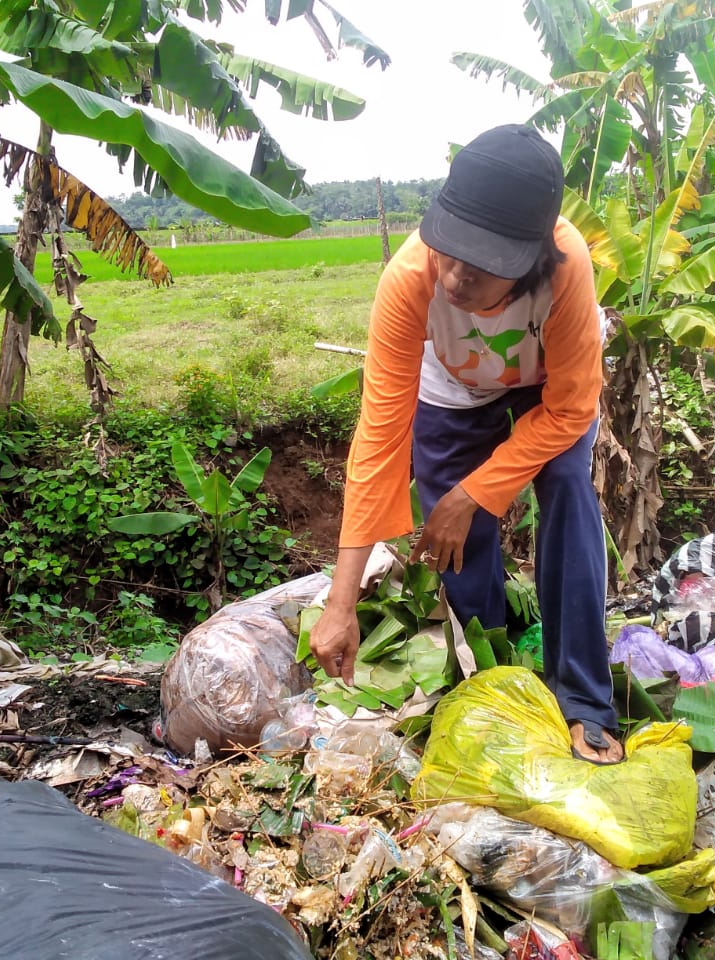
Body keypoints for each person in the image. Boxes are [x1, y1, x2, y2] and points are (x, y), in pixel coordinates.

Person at [308, 124, 622, 764]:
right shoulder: (411, 277)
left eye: (481, 269)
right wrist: (341, 604)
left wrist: (474, 494)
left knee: (566, 492)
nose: (454, 277)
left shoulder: (566, 270)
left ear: (531, 257)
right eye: (449, 251)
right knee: (459, 546)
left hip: (549, 391)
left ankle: (585, 699)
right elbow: (378, 439)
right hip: (452, 388)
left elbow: (570, 409)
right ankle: (489, 678)